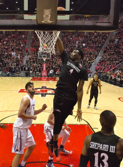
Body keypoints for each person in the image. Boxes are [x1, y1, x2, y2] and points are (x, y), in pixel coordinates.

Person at [49, 33, 88, 161]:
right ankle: (55, 147)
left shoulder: (82, 69)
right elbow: (59, 44)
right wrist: (56, 33)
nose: (73, 52)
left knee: (61, 121)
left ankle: (51, 143)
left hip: (71, 98)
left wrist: (79, 108)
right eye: (73, 51)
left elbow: (80, 89)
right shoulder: (66, 59)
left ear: (80, 56)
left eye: (76, 52)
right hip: (60, 93)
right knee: (57, 119)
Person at [12, 82, 47, 167]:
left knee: (32, 145)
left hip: (25, 128)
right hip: (20, 128)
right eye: (30, 87)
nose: (32, 88)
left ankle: (23, 164)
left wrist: (42, 109)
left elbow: (31, 112)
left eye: (33, 86)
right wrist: (32, 117)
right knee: (19, 152)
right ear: (27, 90)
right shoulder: (26, 99)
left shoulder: (32, 99)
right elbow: (20, 114)